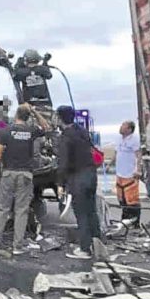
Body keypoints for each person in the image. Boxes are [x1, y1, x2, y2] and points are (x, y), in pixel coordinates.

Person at [0, 104, 45, 255]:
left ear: (16, 115)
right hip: (25, 175)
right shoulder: (31, 131)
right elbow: (46, 127)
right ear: (27, 117)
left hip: (8, 174)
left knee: (2, 209)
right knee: (21, 210)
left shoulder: (6, 131)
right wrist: (35, 111)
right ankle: (17, 246)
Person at [57, 105, 101, 260]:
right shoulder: (82, 131)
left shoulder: (66, 137)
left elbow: (64, 163)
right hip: (91, 175)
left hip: (77, 178)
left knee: (81, 214)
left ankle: (85, 249)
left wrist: (60, 183)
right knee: (91, 211)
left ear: (60, 118)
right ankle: (98, 245)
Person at [115, 120, 142, 226]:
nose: (121, 127)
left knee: (132, 200)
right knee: (122, 199)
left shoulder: (134, 140)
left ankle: (134, 222)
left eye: (123, 126)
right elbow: (117, 153)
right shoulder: (119, 139)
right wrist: (110, 164)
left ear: (129, 129)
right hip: (120, 173)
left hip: (130, 174)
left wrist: (138, 170)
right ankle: (125, 220)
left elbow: (138, 155)